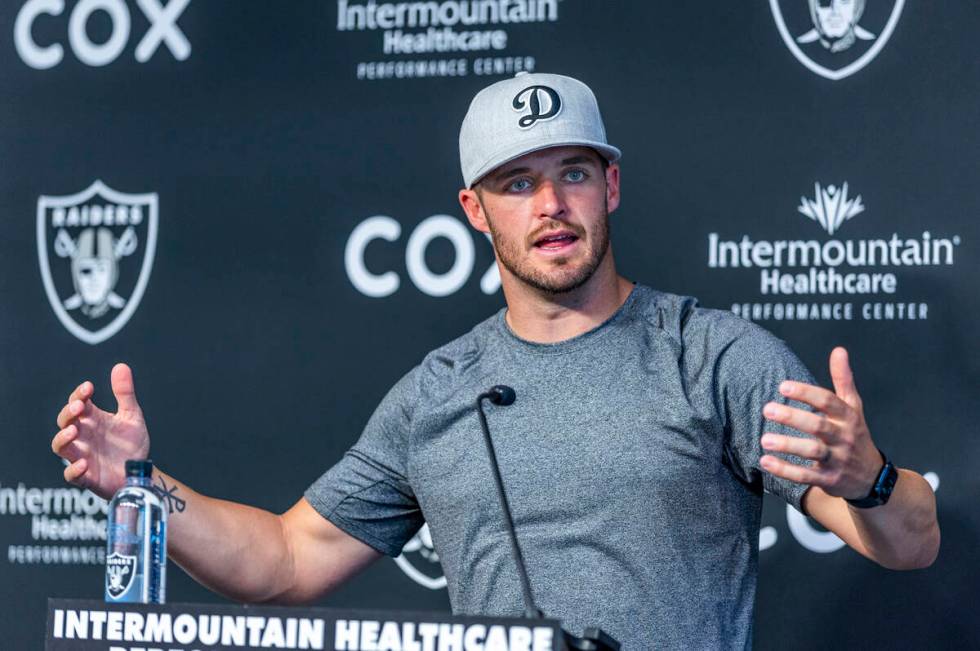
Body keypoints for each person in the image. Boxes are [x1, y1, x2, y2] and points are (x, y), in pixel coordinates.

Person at [51, 72, 939, 650]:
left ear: (612, 185)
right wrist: (141, 484)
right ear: (476, 212)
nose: (551, 204)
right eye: (518, 184)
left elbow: (912, 539)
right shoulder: (434, 393)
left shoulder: (713, 355)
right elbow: (285, 558)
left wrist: (869, 479)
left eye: (574, 172)